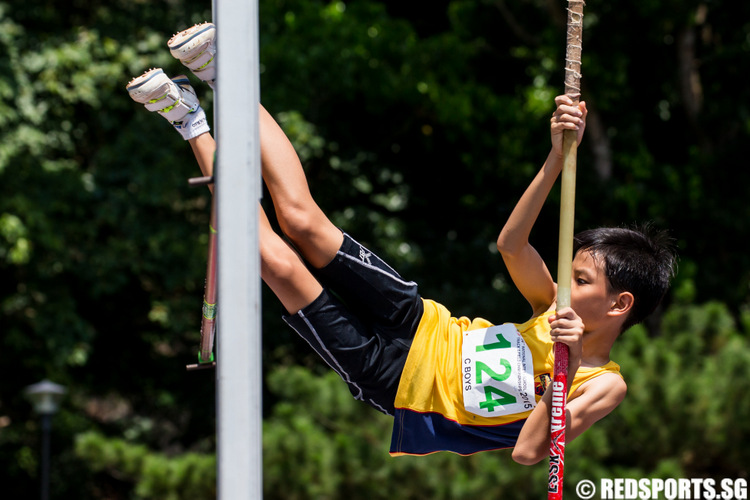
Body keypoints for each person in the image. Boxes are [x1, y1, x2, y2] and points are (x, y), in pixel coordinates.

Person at [126, 23, 676, 462]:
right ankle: (226, 78)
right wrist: (557, 158)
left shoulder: (604, 384)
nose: (564, 282)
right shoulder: (547, 301)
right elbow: (512, 244)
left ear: (618, 304)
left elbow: (530, 452)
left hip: (393, 383)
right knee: (302, 222)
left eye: (580, 280)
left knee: (273, 262)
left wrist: (566, 365)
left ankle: (191, 121)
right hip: (421, 322)